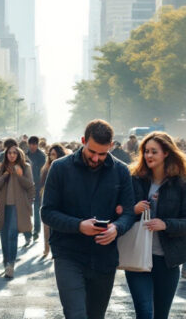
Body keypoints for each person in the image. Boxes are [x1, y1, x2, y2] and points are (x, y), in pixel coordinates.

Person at [41, 119, 135, 319]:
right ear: (83, 140)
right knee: (76, 315)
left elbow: (128, 213)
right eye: (92, 151)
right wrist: (78, 225)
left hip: (104, 257)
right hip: (68, 254)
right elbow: (47, 212)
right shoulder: (59, 168)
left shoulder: (121, 171)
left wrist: (116, 228)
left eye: (102, 153)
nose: (96, 158)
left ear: (111, 146)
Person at [124, 132, 186, 319]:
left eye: (154, 151)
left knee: (160, 315)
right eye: (146, 151)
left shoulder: (182, 183)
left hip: (167, 259)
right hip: (138, 258)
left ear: (166, 153)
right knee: (144, 312)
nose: (148, 156)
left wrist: (165, 224)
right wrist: (134, 209)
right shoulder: (134, 179)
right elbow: (119, 212)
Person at [0, 145, 35, 278]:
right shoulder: (0, 168)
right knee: (4, 236)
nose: (12, 155)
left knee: (12, 234)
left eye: (14, 153)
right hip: (3, 207)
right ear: (6, 154)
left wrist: (19, 175)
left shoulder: (25, 167)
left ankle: (11, 264)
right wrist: (4, 176)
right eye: (9, 153)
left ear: (18, 154)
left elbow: (29, 185)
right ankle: (6, 263)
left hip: (18, 207)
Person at [39, 144, 67, 260]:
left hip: (61, 200)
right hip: (47, 198)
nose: (51, 156)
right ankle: (46, 248)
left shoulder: (64, 167)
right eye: (50, 154)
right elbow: (41, 183)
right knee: (46, 225)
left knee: (57, 225)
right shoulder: (46, 167)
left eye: (54, 154)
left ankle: (56, 249)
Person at [25, 136, 46, 244]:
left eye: (35, 144)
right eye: (31, 144)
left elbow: (43, 172)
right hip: (26, 186)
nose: (33, 146)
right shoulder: (25, 155)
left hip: (38, 186)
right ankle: (27, 231)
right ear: (28, 144)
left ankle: (36, 231)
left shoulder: (42, 156)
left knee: (37, 210)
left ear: (37, 144)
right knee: (27, 210)